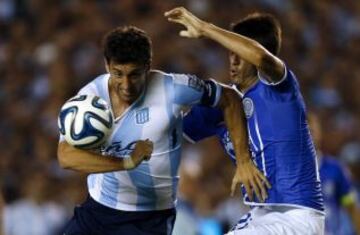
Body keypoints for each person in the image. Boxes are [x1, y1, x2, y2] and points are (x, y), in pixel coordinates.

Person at [57, 26, 268, 235]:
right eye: (118, 74)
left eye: (134, 74)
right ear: (107, 65)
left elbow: (230, 98)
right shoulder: (90, 99)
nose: (126, 85)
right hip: (98, 210)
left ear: (147, 66)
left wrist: (243, 161)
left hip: (149, 219)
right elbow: (66, 156)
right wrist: (126, 162)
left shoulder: (173, 89)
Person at [165, 7, 325, 234]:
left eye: (240, 54)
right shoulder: (224, 104)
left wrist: (206, 28)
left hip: (296, 216)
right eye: (230, 54)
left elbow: (260, 57)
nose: (234, 61)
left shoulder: (279, 89)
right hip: (259, 215)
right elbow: (170, 131)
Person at [308, 112, 360, 235]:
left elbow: (351, 206)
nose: (309, 135)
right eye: (304, 131)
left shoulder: (335, 169)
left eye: (312, 131)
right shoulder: (288, 171)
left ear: (320, 133)